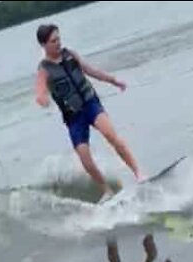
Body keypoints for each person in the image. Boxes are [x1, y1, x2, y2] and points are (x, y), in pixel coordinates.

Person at [34, 24, 143, 203]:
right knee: (85, 156)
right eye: (53, 41)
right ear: (44, 45)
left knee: (111, 135)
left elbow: (91, 71)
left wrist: (113, 81)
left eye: (59, 39)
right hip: (74, 117)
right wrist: (42, 99)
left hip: (90, 104)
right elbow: (40, 92)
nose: (58, 43)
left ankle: (139, 173)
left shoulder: (70, 55)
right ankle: (107, 191)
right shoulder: (44, 69)